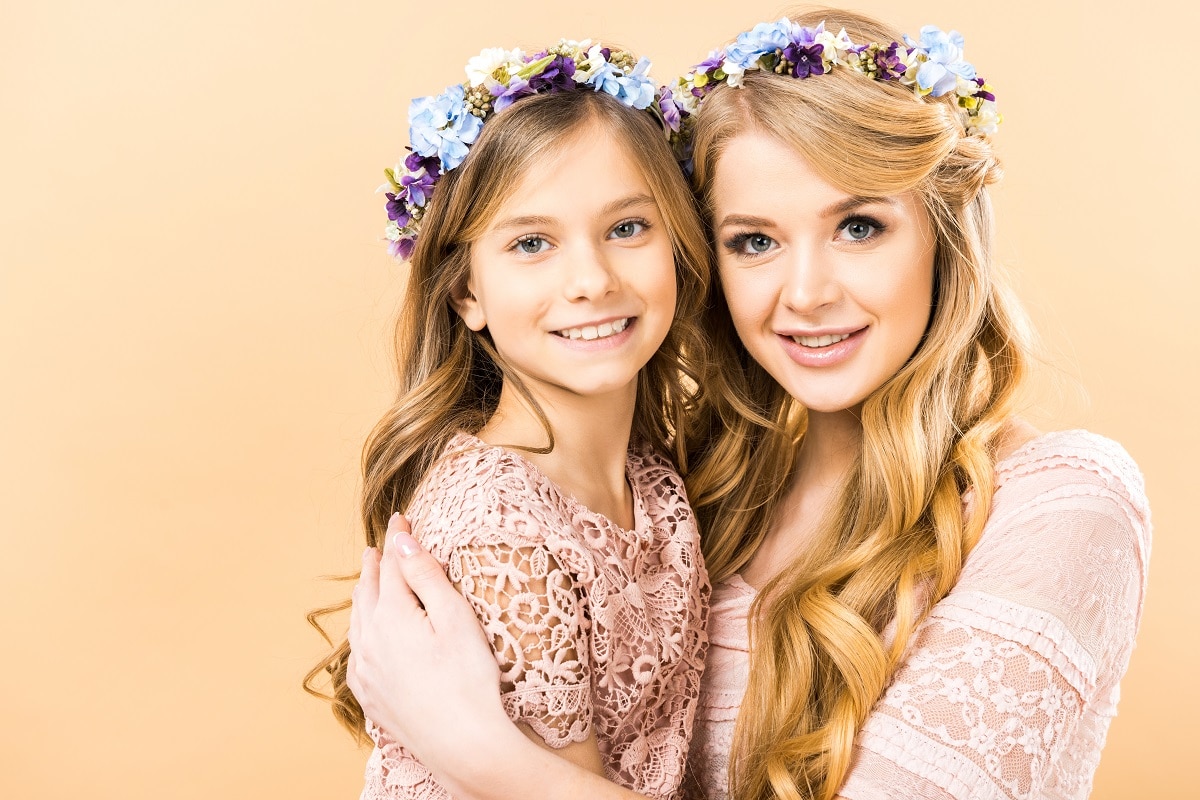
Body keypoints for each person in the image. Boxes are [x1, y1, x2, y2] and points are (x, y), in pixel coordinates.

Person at [345, 10, 1151, 800]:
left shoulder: (1059, 504)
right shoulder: (700, 498)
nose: (806, 295)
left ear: (943, 234)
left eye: (860, 227)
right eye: (754, 241)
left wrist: (484, 757)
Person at [305, 39, 714, 800]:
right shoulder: (503, 535)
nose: (591, 280)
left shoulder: (650, 473)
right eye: (532, 243)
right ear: (467, 294)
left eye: (627, 228)